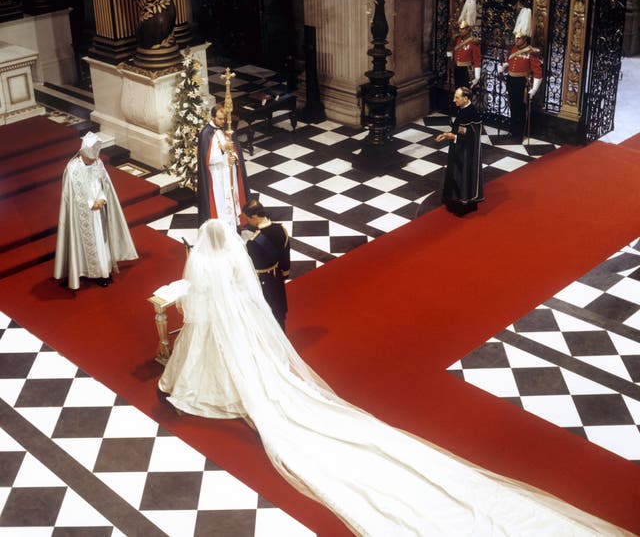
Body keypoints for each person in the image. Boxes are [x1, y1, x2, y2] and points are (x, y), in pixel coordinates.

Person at [158, 219, 626, 536]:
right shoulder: (234, 255)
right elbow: (250, 290)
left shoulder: (202, 260)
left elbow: (197, 301)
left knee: (224, 361)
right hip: (244, 315)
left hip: (224, 320)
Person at [53, 131, 138, 289]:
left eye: (95, 158)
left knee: (101, 240)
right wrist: (90, 203)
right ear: (84, 153)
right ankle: (82, 270)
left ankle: (102, 272)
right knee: (82, 242)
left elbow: (102, 183)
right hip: (82, 214)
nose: (94, 161)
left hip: (99, 212)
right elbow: (72, 194)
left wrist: (102, 199)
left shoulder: (97, 162)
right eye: (90, 159)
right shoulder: (73, 169)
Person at [197, 104, 249, 229]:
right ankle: (222, 228)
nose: (223, 121)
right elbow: (207, 159)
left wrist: (234, 158)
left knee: (232, 199)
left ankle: (234, 225)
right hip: (216, 175)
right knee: (221, 202)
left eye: (224, 119)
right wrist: (222, 150)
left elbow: (236, 150)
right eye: (220, 119)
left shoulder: (227, 128)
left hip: (229, 170)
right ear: (213, 117)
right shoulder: (206, 134)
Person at [242, 198, 290, 330]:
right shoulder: (281, 229)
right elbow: (285, 256)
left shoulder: (253, 242)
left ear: (255, 216)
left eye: (248, 218)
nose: (247, 221)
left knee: (267, 316)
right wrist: (284, 274)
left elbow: (250, 267)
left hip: (263, 281)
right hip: (277, 278)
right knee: (279, 312)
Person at [436, 86, 484, 216]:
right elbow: (460, 129)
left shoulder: (470, 112)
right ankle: (454, 200)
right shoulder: (463, 109)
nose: (454, 100)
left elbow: (469, 135)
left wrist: (451, 136)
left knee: (462, 176)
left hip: (466, 153)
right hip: (459, 149)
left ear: (466, 98)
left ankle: (462, 205)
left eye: (457, 97)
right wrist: (448, 134)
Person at [498, 7, 543, 143]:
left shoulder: (531, 52)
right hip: (511, 80)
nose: (516, 40)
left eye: (519, 38)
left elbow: (537, 72)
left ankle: (519, 134)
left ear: (525, 38)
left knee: (521, 109)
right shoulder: (512, 48)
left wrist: (534, 89)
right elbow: (510, 62)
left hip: (522, 83)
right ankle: (512, 130)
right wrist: (504, 67)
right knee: (512, 106)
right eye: (516, 38)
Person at [447, 0, 481, 91]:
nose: (460, 30)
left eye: (462, 29)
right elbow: (450, 48)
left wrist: (477, 77)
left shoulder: (474, 42)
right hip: (457, 68)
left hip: (466, 70)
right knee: (457, 92)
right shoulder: (456, 39)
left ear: (468, 29)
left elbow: (477, 60)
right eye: (460, 29)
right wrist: (449, 59)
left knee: (465, 94)